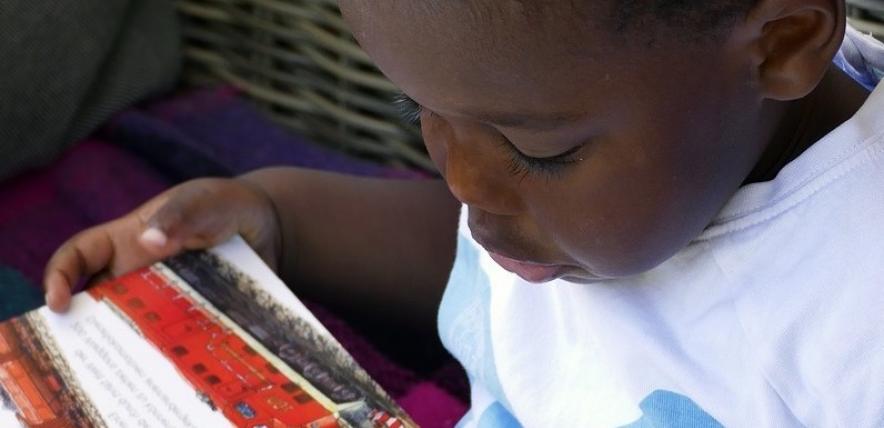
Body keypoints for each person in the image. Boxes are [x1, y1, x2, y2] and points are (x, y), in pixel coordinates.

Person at [43, 0, 884, 426]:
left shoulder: (857, 319)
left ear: (779, 46)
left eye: (540, 152)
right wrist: (278, 218)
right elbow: (499, 283)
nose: (466, 185)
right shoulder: (606, 188)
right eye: (423, 115)